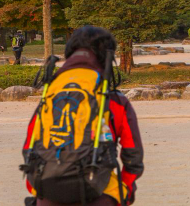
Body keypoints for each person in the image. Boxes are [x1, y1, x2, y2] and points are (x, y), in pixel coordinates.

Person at [21, 25, 143, 206]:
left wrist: (39, 191)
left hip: (47, 194)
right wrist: (125, 192)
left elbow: (29, 148)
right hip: (98, 193)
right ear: (107, 57)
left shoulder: (51, 95)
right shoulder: (114, 101)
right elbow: (133, 156)